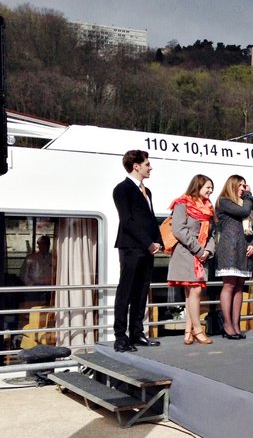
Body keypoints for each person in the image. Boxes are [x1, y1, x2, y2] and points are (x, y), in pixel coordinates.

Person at [112, 149, 163, 353]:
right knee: (126, 290)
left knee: (142, 290)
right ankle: (120, 336)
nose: (150, 167)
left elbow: (151, 219)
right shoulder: (122, 189)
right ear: (136, 166)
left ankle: (137, 332)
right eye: (147, 164)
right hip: (131, 247)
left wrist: (158, 241)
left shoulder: (147, 191)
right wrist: (147, 243)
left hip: (147, 248)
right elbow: (127, 221)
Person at [167, 174, 216, 345]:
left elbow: (211, 233)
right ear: (198, 186)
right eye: (208, 187)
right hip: (186, 253)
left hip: (201, 255)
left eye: (211, 188)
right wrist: (199, 250)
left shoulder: (208, 207)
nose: (210, 191)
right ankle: (198, 330)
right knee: (194, 292)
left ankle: (188, 331)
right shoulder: (182, 203)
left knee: (192, 294)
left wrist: (208, 251)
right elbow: (179, 230)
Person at [215, 175, 253, 340]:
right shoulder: (225, 201)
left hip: (244, 248)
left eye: (244, 185)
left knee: (240, 286)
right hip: (230, 248)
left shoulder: (245, 203)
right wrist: (249, 195)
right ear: (232, 186)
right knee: (229, 285)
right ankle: (227, 325)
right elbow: (244, 211)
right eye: (240, 185)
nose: (243, 188)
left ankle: (236, 324)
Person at [20, 235, 54, 303]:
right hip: (33, 290)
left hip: (50, 289)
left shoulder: (53, 258)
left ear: (49, 244)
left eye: (45, 243)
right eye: (41, 243)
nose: (43, 246)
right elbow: (23, 274)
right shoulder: (30, 258)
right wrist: (32, 286)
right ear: (38, 245)